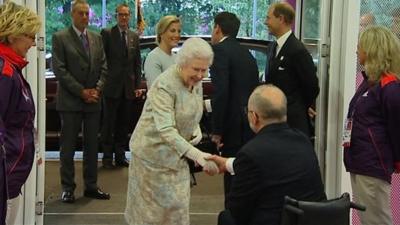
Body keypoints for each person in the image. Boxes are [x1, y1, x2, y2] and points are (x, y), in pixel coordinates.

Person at [125, 37, 219, 225]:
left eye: (204, 69)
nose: (201, 75)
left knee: (177, 212)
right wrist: (198, 155)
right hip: (151, 160)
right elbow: (166, 129)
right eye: (196, 69)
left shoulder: (196, 81)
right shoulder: (164, 85)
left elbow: (192, 108)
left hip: (177, 158)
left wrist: (195, 128)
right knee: (151, 218)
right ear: (182, 63)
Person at [208, 84, 326, 225]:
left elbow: (237, 210)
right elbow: (274, 165)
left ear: (254, 116)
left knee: (226, 217)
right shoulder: (303, 141)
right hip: (311, 219)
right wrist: (229, 164)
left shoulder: (251, 152)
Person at [52, 0, 110, 203]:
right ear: (72, 15)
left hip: (93, 101)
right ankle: (68, 188)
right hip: (70, 102)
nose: (85, 17)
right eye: (80, 13)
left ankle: (91, 186)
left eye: (87, 13)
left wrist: (97, 89)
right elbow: (59, 70)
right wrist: (81, 91)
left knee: (92, 146)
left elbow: (104, 66)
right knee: (67, 148)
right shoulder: (60, 37)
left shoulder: (96, 38)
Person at [343, 26, 400, 225]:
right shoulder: (370, 82)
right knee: (369, 219)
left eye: (361, 45)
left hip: (372, 163)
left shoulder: (389, 86)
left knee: (377, 221)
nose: (357, 49)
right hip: (360, 161)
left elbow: (396, 126)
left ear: (372, 49)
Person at [209, 12, 260, 198]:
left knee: (231, 175)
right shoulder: (247, 54)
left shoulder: (219, 51)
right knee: (244, 174)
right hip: (249, 123)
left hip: (232, 126)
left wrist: (217, 130)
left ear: (217, 28)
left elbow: (221, 92)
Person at [0, 2, 41, 224]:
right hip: (6, 178)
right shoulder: (5, 72)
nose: (33, 43)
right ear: (12, 34)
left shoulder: (12, 69)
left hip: (11, 177)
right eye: (30, 36)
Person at [264, 2, 319, 137]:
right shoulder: (272, 47)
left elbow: (311, 86)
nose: (266, 22)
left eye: (268, 18)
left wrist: (298, 106)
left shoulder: (297, 50)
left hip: (292, 123)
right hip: (274, 119)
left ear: (281, 19)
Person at [100, 3, 143, 169]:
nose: (124, 17)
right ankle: (106, 157)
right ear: (116, 16)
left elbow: (137, 63)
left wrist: (137, 85)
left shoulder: (133, 36)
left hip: (128, 88)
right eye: (121, 14)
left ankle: (120, 156)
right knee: (108, 124)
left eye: (126, 14)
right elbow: (102, 59)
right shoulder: (107, 34)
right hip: (111, 87)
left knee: (124, 124)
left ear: (129, 16)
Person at [144, 15, 181, 88]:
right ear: (161, 33)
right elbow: (156, 89)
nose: (177, 35)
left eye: (179, 31)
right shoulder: (153, 57)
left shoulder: (177, 57)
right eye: (172, 31)